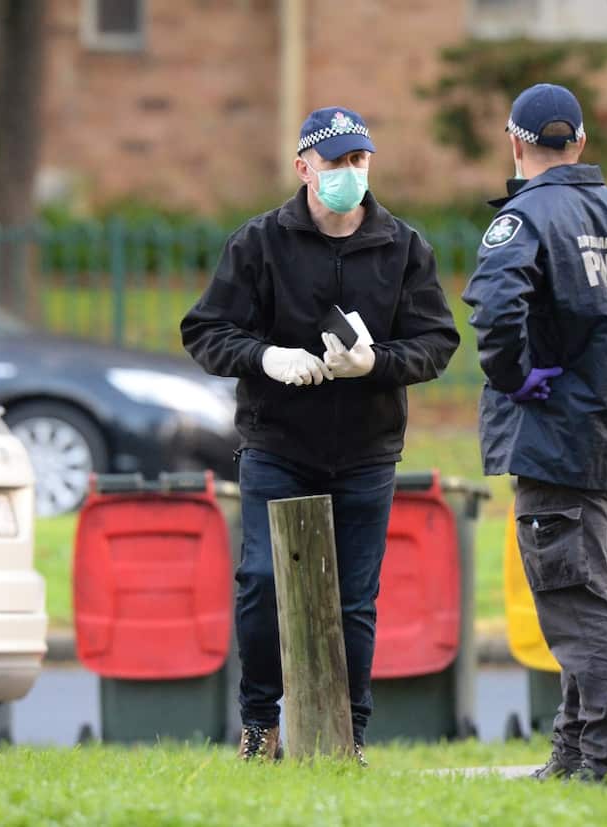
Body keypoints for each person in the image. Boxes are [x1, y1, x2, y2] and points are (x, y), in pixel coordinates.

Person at [181, 106, 460, 764]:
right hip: (278, 442)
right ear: (305, 168)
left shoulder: (402, 246)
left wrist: (376, 362)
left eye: (359, 160)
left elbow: (437, 341)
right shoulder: (260, 243)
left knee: (355, 597)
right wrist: (265, 356)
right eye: (334, 162)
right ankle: (259, 725)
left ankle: (346, 735)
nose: (348, 174)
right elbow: (206, 331)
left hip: (366, 449)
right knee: (260, 581)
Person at [462, 84, 607, 788]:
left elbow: (497, 314)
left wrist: (514, 375)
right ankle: (574, 751)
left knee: (576, 602)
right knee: (593, 600)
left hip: (554, 443)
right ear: (581, 143)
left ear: (516, 142)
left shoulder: (522, 222)